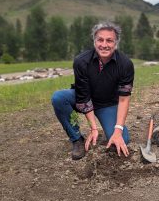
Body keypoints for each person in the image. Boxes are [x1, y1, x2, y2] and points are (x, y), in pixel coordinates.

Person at [51, 22, 134, 160]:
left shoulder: (125, 64)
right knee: (59, 97)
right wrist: (93, 128)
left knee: (122, 140)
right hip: (85, 98)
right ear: (94, 41)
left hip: (108, 103)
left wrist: (118, 130)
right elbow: (83, 96)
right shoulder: (81, 61)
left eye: (109, 40)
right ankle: (77, 139)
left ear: (116, 43)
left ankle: (117, 132)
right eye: (100, 40)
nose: (104, 44)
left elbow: (124, 98)